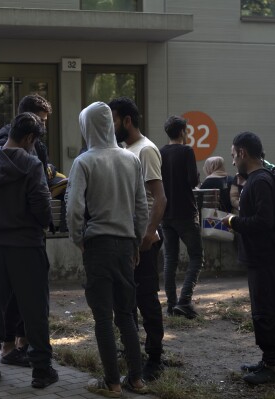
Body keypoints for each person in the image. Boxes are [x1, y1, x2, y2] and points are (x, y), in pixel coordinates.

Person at [0, 112, 58, 389]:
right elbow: (42, 208)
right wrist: (41, 223)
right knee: (34, 309)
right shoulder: (32, 166)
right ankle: (41, 370)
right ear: (29, 138)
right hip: (27, 248)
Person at [66, 102, 149, 397]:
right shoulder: (131, 159)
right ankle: (136, 380)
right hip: (127, 245)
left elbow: (74, 207)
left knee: (103, 317)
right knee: (126, 314)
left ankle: (112, 383)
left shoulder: (85, 162)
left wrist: (78, 239)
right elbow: (142, 206)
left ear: (87, 126)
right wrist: (137, 240)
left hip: (98, 245)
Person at [0, 94, 53, 367]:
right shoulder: (4, 143)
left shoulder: (33, 141)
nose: (44, 128)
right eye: (40, 122)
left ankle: (21, 343)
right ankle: (10, 347)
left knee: (23, 293)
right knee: (15, 293)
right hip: (18, 229)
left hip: (25, 229)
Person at [108, 97, 167, 381]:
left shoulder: (145, 150)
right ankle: (132, 352)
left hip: (144, 242)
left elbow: (160, 198)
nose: (110, 125)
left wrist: (147, 235)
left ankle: (154, 357)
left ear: (127, 121)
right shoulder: (124, 150)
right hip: (126, 240)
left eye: (114, 120)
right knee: (125, 301)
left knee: (147, 300)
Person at [222, 131, 275, 385]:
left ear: (243, 153)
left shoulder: (259, 182)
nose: (233, 160)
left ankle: (271, 365)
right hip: (263, 256)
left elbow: (264, 221)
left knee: (266, 309)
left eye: (233, 155)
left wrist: (233, 221)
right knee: (264, 308)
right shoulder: (260, 179)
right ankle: (269, 360)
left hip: (265, 257)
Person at [160, 116, 204, 319]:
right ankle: (185, 301)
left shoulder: (160, 152)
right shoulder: (187, 151)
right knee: (196, 256)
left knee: (170, 258)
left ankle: (171, 304)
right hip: (186, 211)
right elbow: (192, 181)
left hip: (166, 213)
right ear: (182, 132)